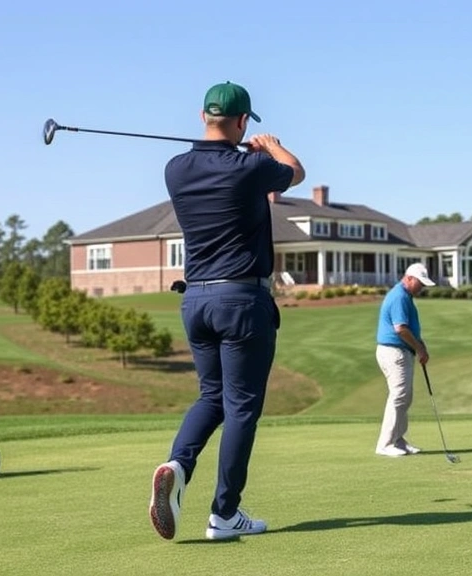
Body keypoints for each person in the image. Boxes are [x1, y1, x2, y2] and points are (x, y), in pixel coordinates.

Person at [148, 81, 305, 541]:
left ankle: (177, 464)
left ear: (202, 117)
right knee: (241, 408)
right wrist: (272, 146)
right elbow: (294, 172)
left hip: (196, 300)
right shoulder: (252, 165)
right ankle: (224, 513)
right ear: (241, 122)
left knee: (211, 396)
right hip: (241, 301)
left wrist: (249, 155)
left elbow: (250, 196)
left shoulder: (175, 168)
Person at [374, 262, 435, 457]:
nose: (422, 287)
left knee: (404, 397)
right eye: (420, 283)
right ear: (409, 278)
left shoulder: (405, 296)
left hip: (400, 351)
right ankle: (385, 444)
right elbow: (400, 329)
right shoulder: (399, 296)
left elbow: (409, 327)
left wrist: (420, 344)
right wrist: (418, 348)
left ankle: (398, 440)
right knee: (399, 395)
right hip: (394, 352)